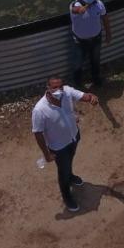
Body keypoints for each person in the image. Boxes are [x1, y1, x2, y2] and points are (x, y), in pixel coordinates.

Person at [31, 77, 100, 213]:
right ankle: (67, 196)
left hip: (74, 137)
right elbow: (38, 133)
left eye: (60, 86)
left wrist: (92, 97)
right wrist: (47, 154)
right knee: (62, 172)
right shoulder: (39, 110)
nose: (58, 90)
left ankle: (71, 176)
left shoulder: (67, 92)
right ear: (48, 88)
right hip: (58, 147)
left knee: (69, 162)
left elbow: (85, 96)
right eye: (54, 87)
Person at [69, 0, 111, 88]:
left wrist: (108, 33)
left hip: (96, 39)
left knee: (95, 61)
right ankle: (77, 85)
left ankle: (96, 80)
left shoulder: (99, 4)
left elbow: (105, 18)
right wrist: (82, 9)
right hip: (79, 41)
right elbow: (75, 10)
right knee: (77, 65)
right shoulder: (75, 4)